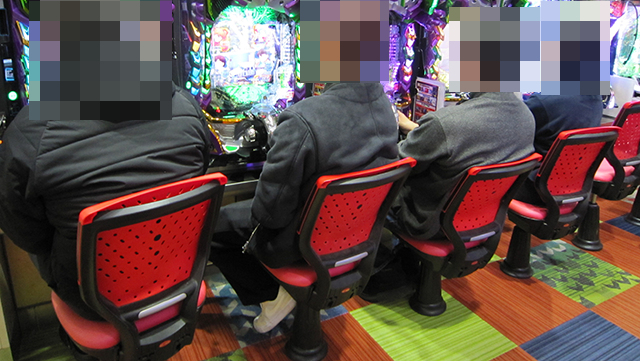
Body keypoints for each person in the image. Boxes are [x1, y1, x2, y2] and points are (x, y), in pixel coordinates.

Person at [0, 83, 211, 321]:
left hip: (91, 301)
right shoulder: (187, 106)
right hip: (178, 276)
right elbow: (200, 175)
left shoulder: (29, 129)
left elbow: (23, 231)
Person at [209, 82, 399, 333]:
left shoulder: (302, 117)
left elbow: (270, 215)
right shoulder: (384, 105)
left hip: (301, 244)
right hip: (359, 233)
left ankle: (270, 295)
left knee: (211, 227)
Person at [388, 92, 536, 241]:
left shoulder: (444, 122)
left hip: (427, 224)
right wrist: (420, 131)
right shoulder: (526, 116)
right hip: (486, 220)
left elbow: (396, 165)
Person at [515, 94, 604, 205]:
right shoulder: (595, 97)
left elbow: (514, 123)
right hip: (576, 183)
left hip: (535, 187)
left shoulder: (543, 101)